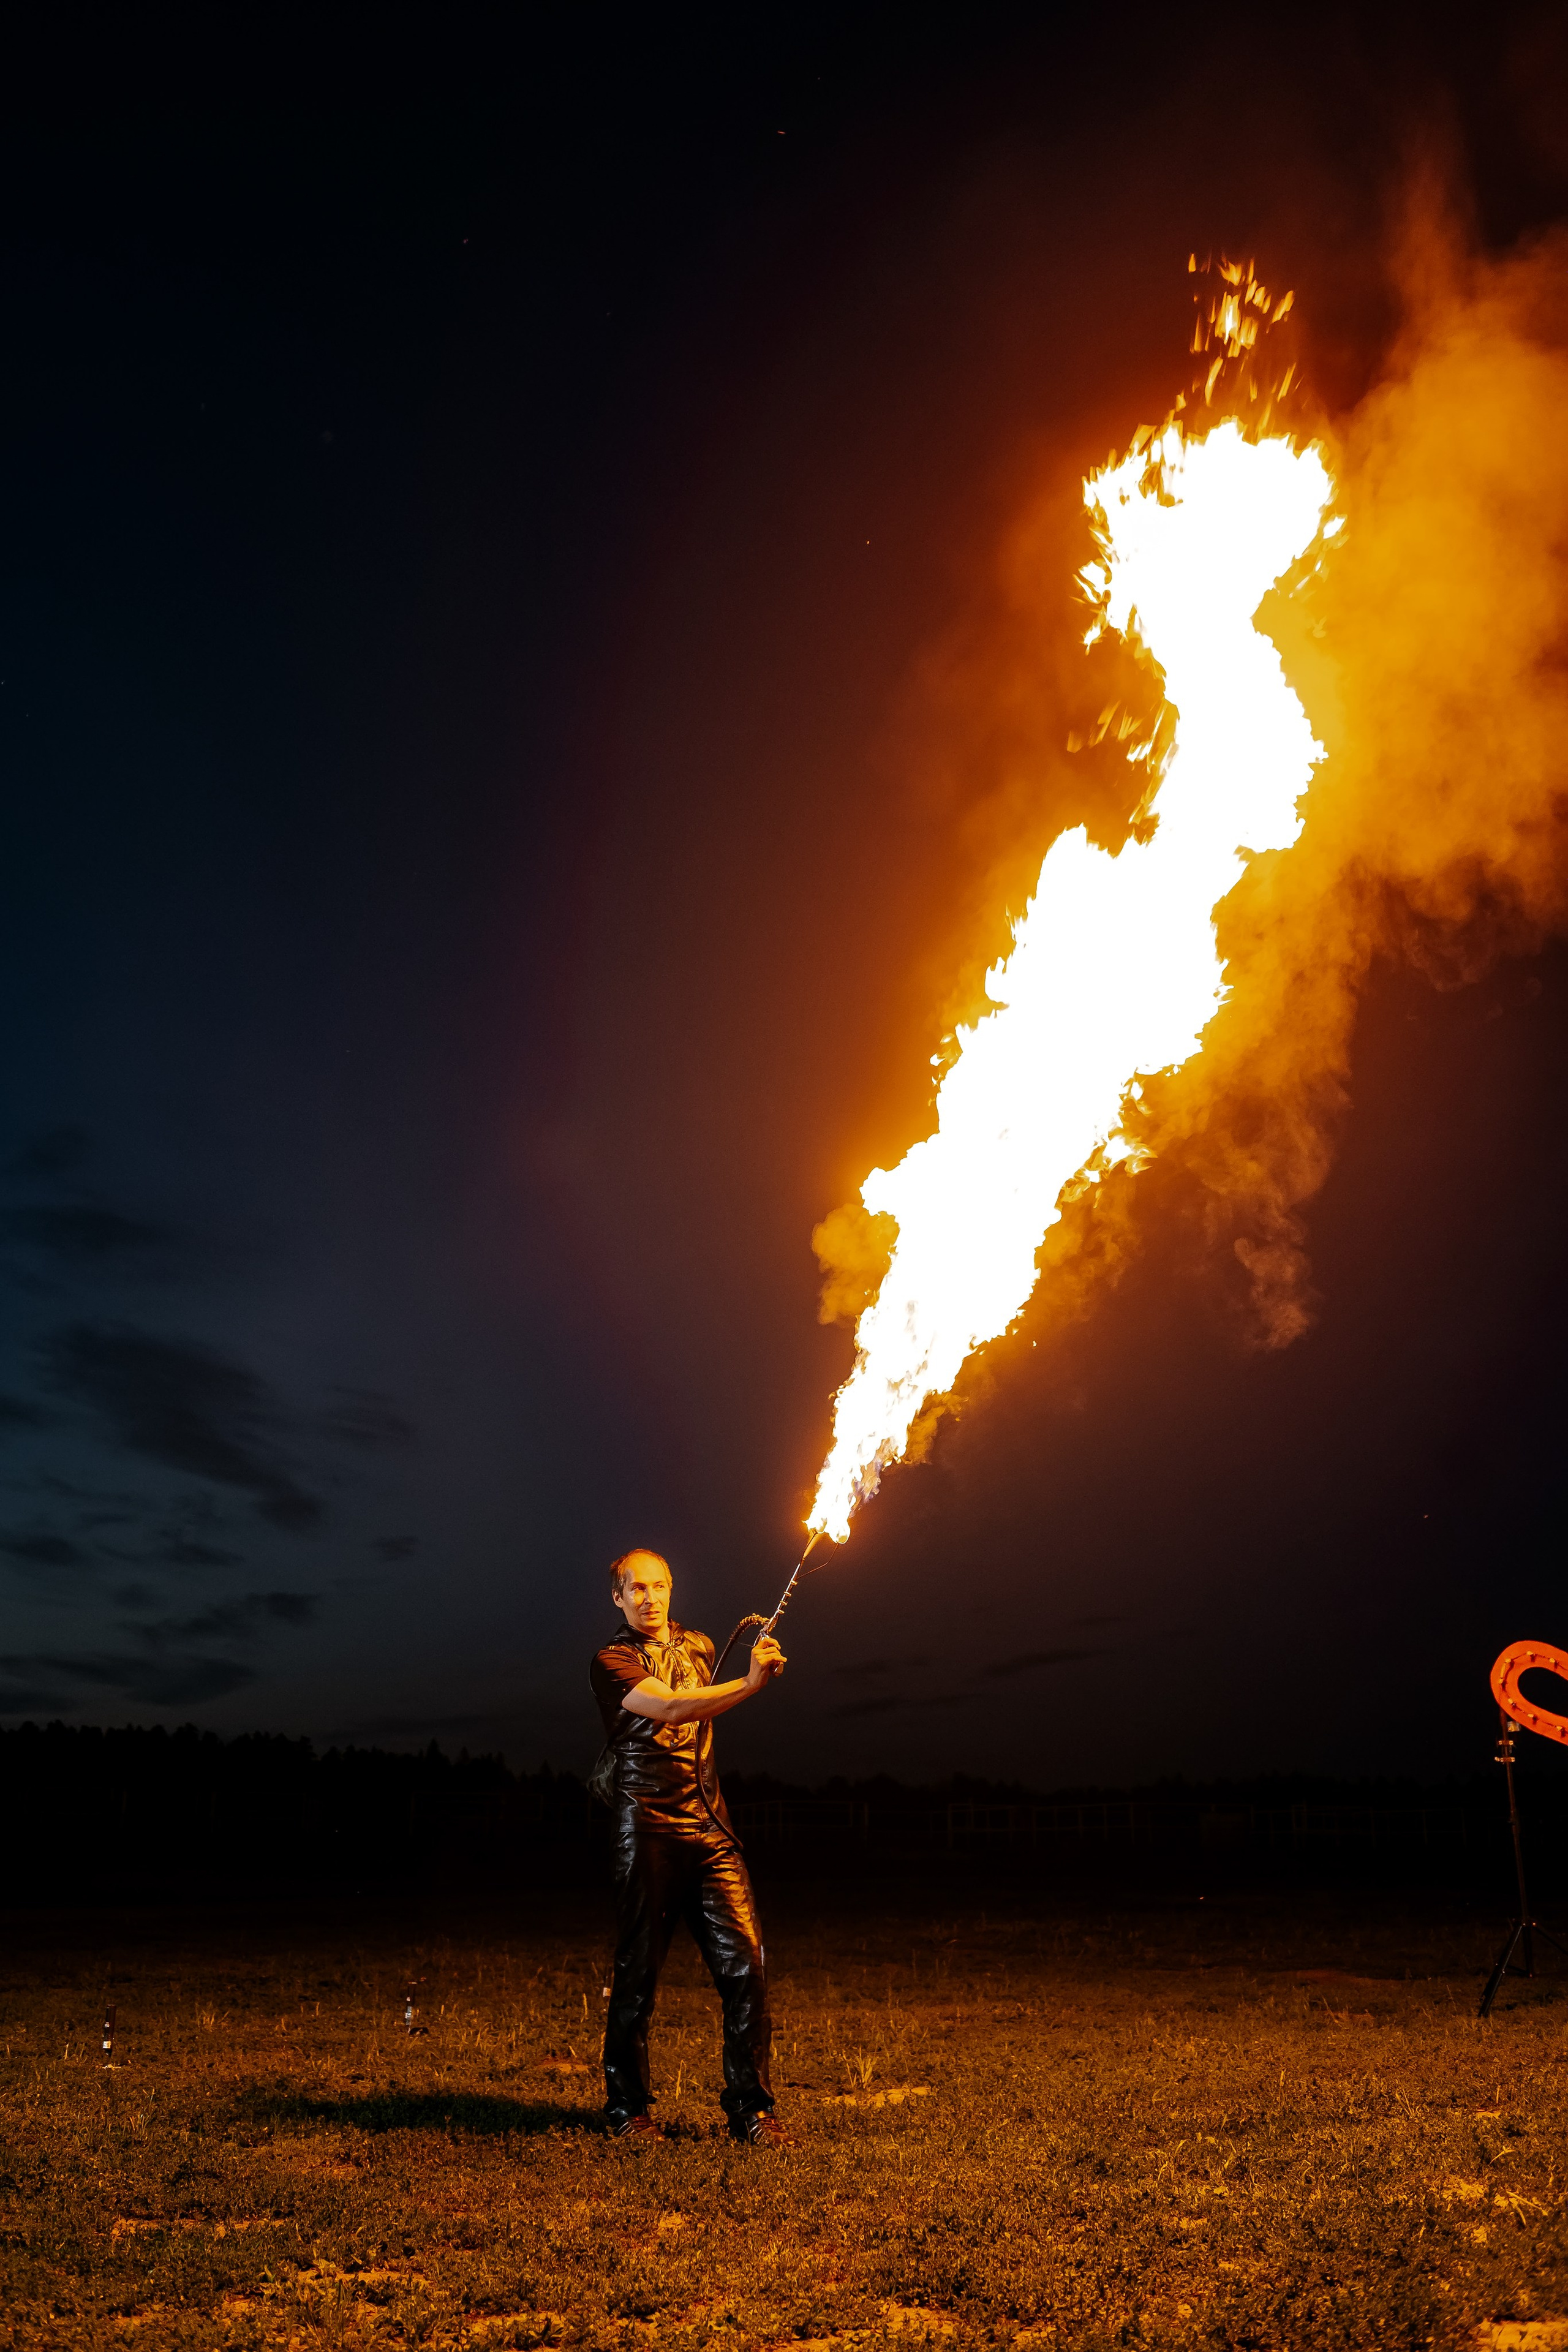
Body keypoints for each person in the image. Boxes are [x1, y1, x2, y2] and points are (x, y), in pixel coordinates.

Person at [590, 1546, 790, 2145]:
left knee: (747, 1966)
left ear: (671, 1590)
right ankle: (627, 2110)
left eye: (659, 1586)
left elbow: (704, 1702)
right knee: (638, 1973)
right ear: (618, 1598)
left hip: (710, 1828)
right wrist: (750, 1684)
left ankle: (750, 2110)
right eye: (637, 1589)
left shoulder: (702, 1646)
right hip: (645, 1825)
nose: (649, 1597)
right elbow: (672, 1707)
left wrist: (749, 1668)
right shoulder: (611, 1660)